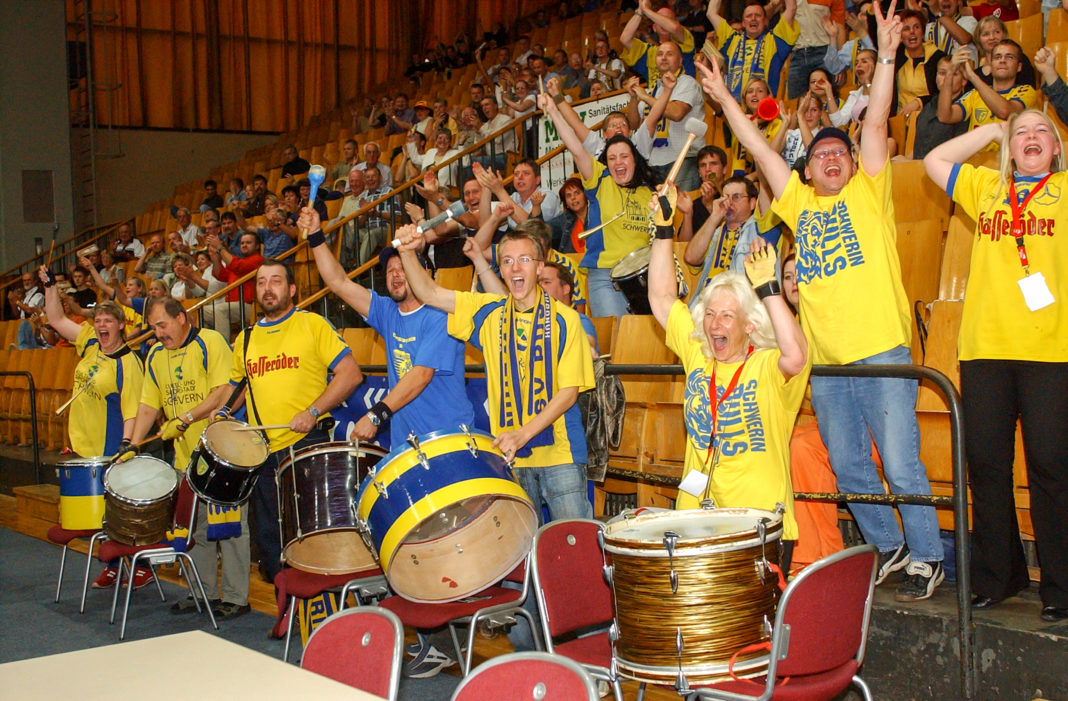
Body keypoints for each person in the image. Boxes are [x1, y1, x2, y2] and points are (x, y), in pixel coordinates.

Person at [698, 0, 947, 602]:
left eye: (840, 152)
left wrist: (886, 55)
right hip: (827, 363)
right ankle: (889, 549)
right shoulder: (799, 205)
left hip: (884, 350)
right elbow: (759, 150)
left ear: (852, 162)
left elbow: (881, 116)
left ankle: (929, 556)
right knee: (853, 468)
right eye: (820, 155)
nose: (831, 158)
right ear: (807, 171)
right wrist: (727, 99)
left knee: (900, 461)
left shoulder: (870, 190)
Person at [923, 111, 1068, 622]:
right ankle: (999, 577)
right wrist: (990, 132)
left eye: (1041, 132)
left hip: (1051, 352)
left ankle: (1060, 586)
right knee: (985, 466)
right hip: (984, 348)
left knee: (1051, 467)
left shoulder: (1067, 191)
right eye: (1021, 132)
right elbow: (934, 160)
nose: (1030, 138)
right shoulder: (987, 187)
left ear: (1056, 148)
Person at [647, 188, 809, 570]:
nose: (714, 324)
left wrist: (769, 289)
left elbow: (797, 356)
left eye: (727, 317)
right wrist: (663, 230)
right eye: (709, 314)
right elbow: (661, 298)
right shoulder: (699, 354)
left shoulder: (767, 366)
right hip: (698, 522)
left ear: (750, 326)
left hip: (759, 525)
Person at [220, 259, 363, 588]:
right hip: (261, 451)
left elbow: (350, 374)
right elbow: (237, 386)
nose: (267, 288)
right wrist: (224, 412)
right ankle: (283, 613)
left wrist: (312, 411)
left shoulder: (312, 324)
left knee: (309, 538)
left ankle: (317, 615)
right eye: (261, 283)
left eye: (276, 281)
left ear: (292, 289)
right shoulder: (246, 338)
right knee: (271, 541)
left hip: (306, 445)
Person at [126, 296, 249, 619]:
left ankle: (237, 597)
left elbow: (224, 391)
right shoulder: (154, 355)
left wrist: (186, 417)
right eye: (153, 327)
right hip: (187, 461)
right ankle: (201, 593)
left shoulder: (210, 342)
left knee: (232, 529)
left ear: (182, 318)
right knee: (195, 530)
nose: (157, 333)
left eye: (162, 325)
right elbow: (147, 406)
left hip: (223, 455)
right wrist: (133, 443)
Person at [39, 266, 147, 589]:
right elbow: (57, 320)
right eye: (98, 321)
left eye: (107, 321)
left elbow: (132, 410)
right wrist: (48, 288)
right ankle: (112, 565)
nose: (101, 325)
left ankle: (140, 564)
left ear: (120, 326)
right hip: (82, 443)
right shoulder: (87, 342)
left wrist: (126, 446)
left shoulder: (128, 363)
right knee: (98, 512)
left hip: (110, 443)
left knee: (117, 510)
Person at [540, 92, 658, 317]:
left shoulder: (649, 192)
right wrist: (553, 111)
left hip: (645, 277)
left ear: (635, 159)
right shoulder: (600, 179)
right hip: (606, 276)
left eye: (624, 156)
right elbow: (575, 147)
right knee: (615, 341)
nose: (618, 162)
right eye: (612, 158)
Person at [684, 175, 782, 305]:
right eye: (725, 197)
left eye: (736, 197)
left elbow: (766, 189)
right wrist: (714, 217)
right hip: (706, 305)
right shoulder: (715, 231)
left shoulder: (761, 230)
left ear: (753, 203)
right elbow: (691, 258)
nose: (729, 202)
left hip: (742, 307)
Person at [936, 40, 1038, 149]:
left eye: (1009, 57)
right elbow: (944, 116)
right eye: (997, 57)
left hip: (1007, 162)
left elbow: (1004, 112)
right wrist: (950, 72)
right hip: (976, 162)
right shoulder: (975, 94)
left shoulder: (1027, 91)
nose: (1002, 60)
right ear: (991, 64)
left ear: (1019, 67)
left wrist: (972, 76)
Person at [708, 0, 800, 100]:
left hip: (764, 107)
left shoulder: (775, 39)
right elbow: (711, 13)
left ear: (765, 21)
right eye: (749, 16)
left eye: (758, 15)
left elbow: (791, 8)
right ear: (743, 23)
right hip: (735, 106)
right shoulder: (731, 39)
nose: (753, 18)